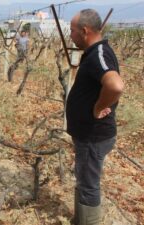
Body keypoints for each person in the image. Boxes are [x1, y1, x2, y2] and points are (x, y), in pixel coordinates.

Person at [67, 9, 124, 225]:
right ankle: (79, 220)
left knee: (89, 185)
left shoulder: (98, 54)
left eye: (72, 31)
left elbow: (115, 85)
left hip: (93, 135)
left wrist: (98, 107)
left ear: (84, 31)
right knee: (84, 180)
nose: (70, 35)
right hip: (88, 136)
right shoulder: (94, 53)